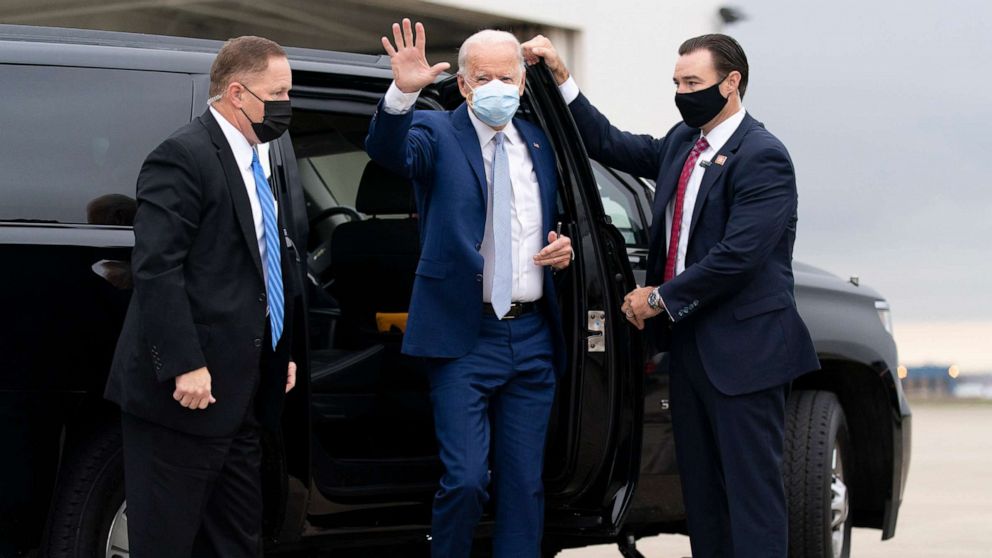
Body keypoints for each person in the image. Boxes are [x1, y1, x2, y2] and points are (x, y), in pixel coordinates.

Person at [524, 34, 820, 557]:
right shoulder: (684, 143)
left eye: (694, 83)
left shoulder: (764, 156)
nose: (683, 94)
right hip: (690, 352)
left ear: (732, 83)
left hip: (745, 355)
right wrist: (560, 77)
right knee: (703, 498)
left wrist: (658, 298)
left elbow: (738, 256)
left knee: (751, 497)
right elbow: (608, 143)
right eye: (677, 83)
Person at [365, 19, 573, 558]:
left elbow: (552, 220)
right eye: (484, 79)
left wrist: (565, 248)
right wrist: (402, 94)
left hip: (531, 335)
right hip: (464, 337)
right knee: (465, 481)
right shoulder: (436, 134)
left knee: (525, 487)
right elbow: (388, 151)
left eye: (508, 78)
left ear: (523, 84)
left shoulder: (538, 142)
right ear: (463, 85)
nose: (498, 89)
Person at [104, 36, 303, 558]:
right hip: (184, 398)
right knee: (167, 542)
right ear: (237, 93)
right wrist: (184, 365)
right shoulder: (183, 155)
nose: (286, 104)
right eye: (277, 93)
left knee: (237, 542)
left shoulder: (259, 159)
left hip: (242, 395)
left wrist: (276, 353)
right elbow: (157, 268)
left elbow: (260, 267)